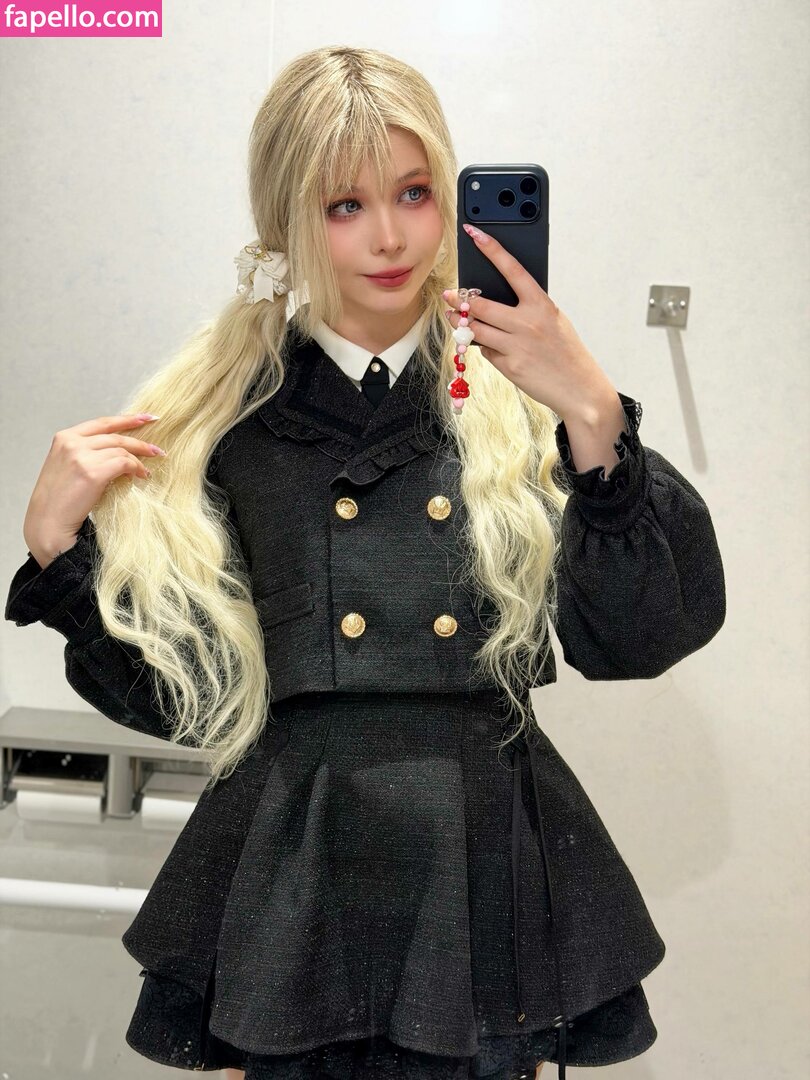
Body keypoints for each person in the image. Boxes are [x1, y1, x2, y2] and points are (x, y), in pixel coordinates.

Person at [5, 45, 726, 1080]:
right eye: (344, 205)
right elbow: (195, 702)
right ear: (288, 219)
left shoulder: (522, 406)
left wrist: (596, 415)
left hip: (481, 858)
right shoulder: (228, 421)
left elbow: (642, 638)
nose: (390, 237)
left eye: (415, 193)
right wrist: (58, 552)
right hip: (296, 860)